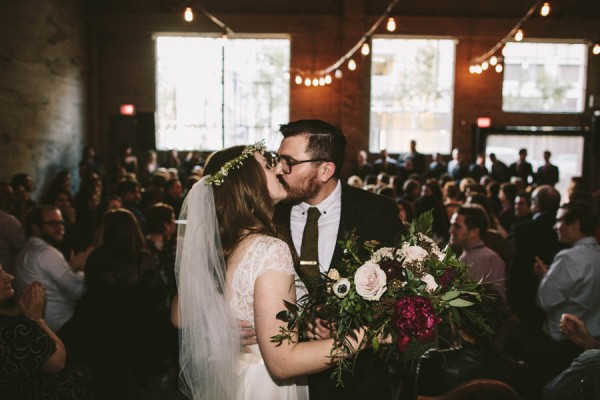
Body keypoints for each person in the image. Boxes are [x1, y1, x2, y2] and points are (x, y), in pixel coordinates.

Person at [173, 143, 370, 400]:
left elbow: (179, 315)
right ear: (247, 183)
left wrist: (220, 329)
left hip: (235, 378)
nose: (280, 166)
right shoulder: (268, 249)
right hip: (264, 385)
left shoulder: (227, 242)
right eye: (269, 164)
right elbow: (282, 363)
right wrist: (367, 335)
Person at [273, 120, 404, 400]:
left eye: (289, 162)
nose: (278, 169)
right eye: (278, 159)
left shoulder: (377, 212)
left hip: (359, 381)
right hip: (282, 382)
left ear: (325, 170)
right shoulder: (269, 212)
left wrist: (351, 323)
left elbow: (399, 291)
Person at [14, 206, 90, 332]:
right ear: (36, 228)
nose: (60, 227)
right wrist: (80, 268)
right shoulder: (46, 252)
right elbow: (78, 291)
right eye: (52, 223)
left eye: (61, 222)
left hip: (38, 325)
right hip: (60, 326)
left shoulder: (26, 249)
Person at [449, 205, 506, 300]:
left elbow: (498, 305)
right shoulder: (459, 256)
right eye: (451, 225)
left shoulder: (492, 260)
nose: (450, 230)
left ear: (474, 232)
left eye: (457, 226)